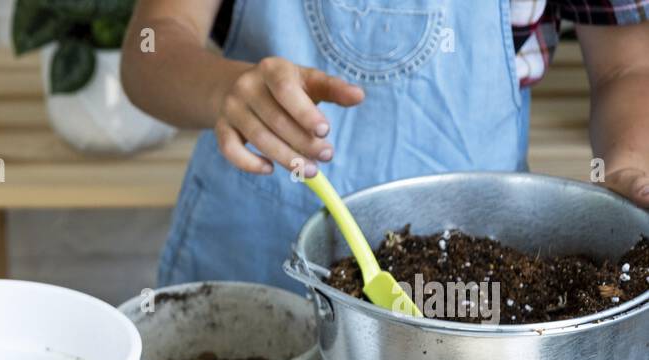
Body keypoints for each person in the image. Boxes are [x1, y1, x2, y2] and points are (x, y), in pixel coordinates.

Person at [121, 0, 649, 292]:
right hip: (250, 270)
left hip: (474, 286)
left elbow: (626, 66)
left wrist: (624, 164)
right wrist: (224, 90)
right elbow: (154, 39)